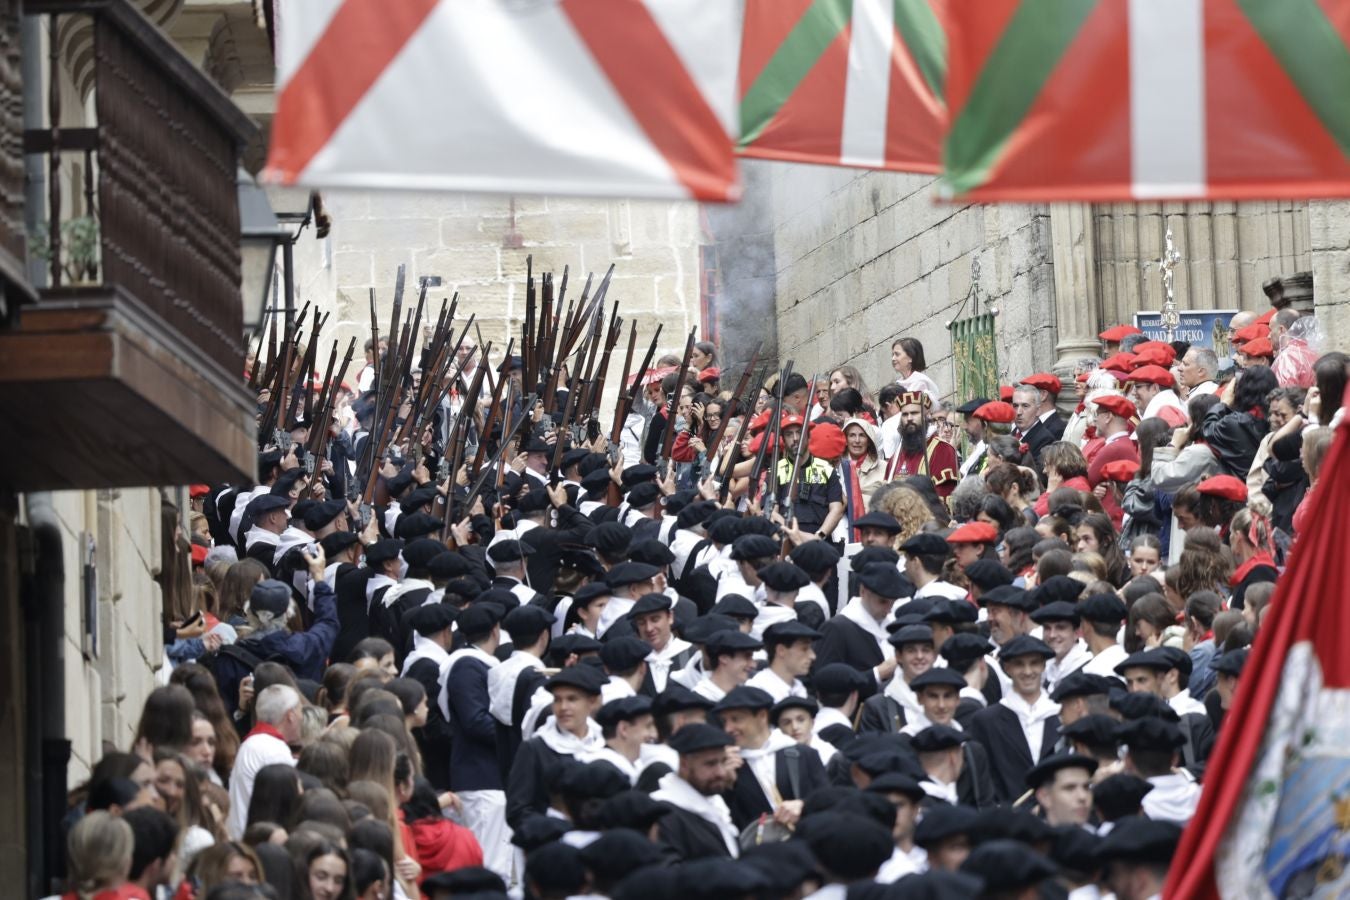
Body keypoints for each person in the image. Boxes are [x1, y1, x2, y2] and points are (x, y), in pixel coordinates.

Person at [714, 686, 826, 830]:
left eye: (736, 719)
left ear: (762, 716)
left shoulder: (803, 754)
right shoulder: (729, 765)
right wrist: (727, 784)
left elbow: (827, 801)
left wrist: (803, 806)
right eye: (725, 721)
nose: (728, 728)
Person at [967, 636, 1061, 802]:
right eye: (1019, 664)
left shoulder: (1060, 715)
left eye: (1034, 663)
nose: (1027, 671)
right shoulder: (986, 721)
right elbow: (983, 780)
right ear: (1007, 668)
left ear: (1043, 666)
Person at [652, 724, 740, 861]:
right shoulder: (664, 814)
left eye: (723, 762)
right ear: (684, 764)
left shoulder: (714, 801)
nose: (721, 772)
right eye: (710, 764)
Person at [227, 684, 301, 839]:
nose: (302, 717)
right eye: (301, 710)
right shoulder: (273, 750)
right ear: (291, 715)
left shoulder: (257, 743)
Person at [884, 393, 958, 498]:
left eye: (914, 413)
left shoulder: (943, 450)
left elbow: (942, 499)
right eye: (905, 414)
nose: (909, 418)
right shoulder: (895, 458)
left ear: (926, 417)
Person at [1026, 754, 1096, 826]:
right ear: (1044, 797)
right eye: (1070, 788)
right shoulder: (1028, 837)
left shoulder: (1102, 836)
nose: (1082, 796)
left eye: (1087, 788)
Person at [890, 338, 942, 409]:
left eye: (897, 354)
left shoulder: (920, 382)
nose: (893, 358)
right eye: (892, 355)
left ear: (910, 358)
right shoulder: (898, 383)